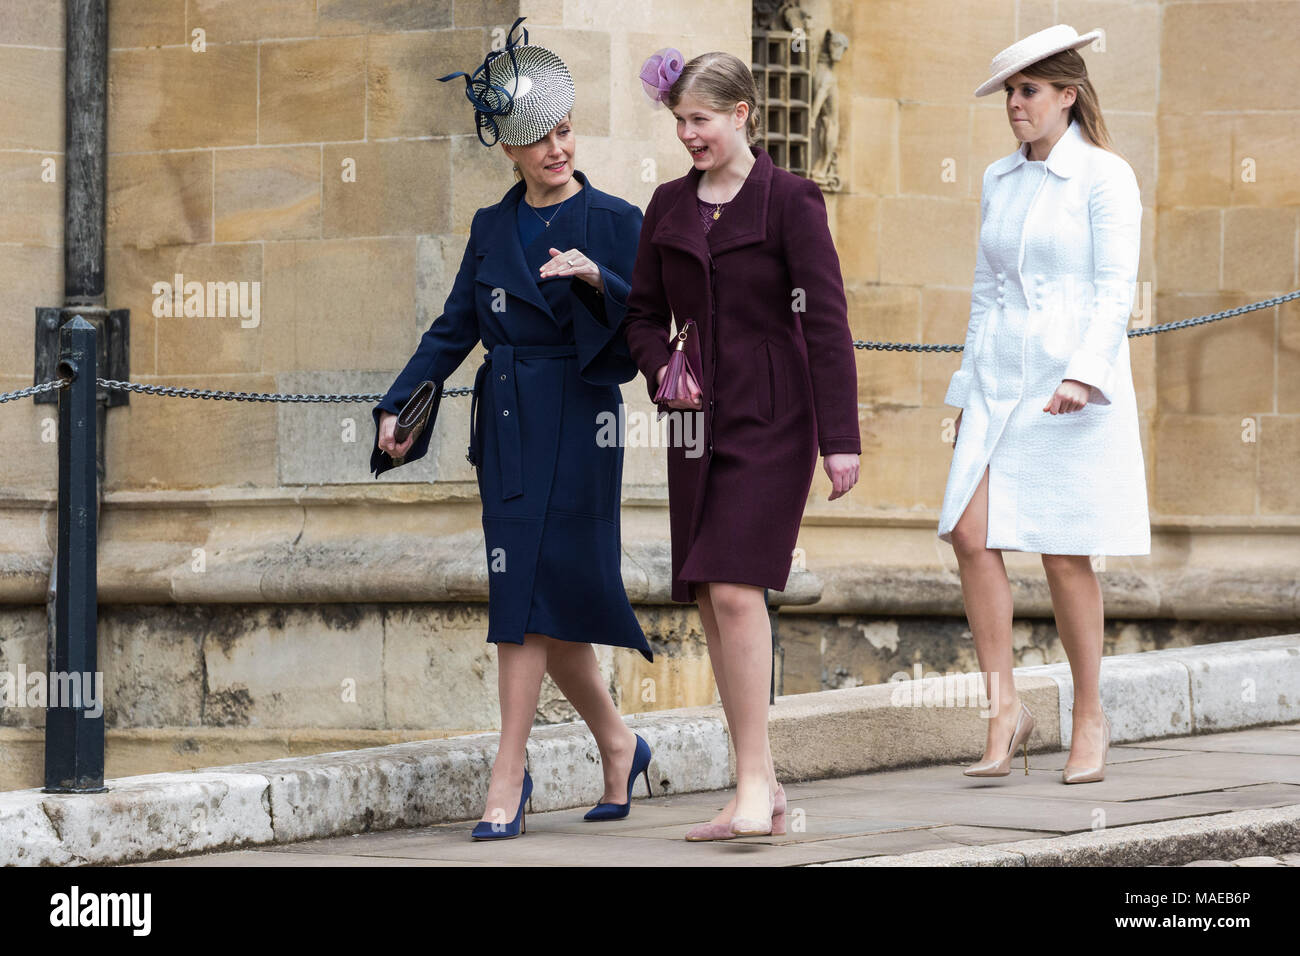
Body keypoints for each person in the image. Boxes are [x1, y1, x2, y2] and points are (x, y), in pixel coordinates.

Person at [371, 19, 654, 839]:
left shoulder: (615, 218)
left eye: (563, 131)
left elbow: (652, 324)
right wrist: (400, 405)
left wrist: (599, 279)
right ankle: (612, 742)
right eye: (538, 139)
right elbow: (452, 329)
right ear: (511, 150)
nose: (556, 150)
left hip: (582, 419)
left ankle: (513, 769)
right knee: (528, 597)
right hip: (508, 428)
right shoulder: (492, 228)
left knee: (540, 599)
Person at [622, 49, 861, 840]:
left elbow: (826, 323)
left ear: (741, 114)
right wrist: (665, 371)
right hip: (694, 421)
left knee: (734, 588)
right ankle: (754, 782)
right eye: (680, 120)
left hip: (774, 416)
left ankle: (756, 780)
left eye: (701, 119)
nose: (688, 133)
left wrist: (841, 440)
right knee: (706, 597)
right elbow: (641, 316)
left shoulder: (792, 200)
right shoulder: (666, 205)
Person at [939, 25, 1149, 783]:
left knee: (1063, 551)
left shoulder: (1105, 176)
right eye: (1009, 95)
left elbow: (1113, 288)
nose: (1015, 106)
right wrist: (966, 390)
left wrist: (1084, 374)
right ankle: (1005, 709)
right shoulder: (999, 179)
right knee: (969, 532)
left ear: (1068, 94)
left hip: (1070, 389)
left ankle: (1089, 714)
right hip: (1000, 381)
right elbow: (986, 291)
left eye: (1028, 92)